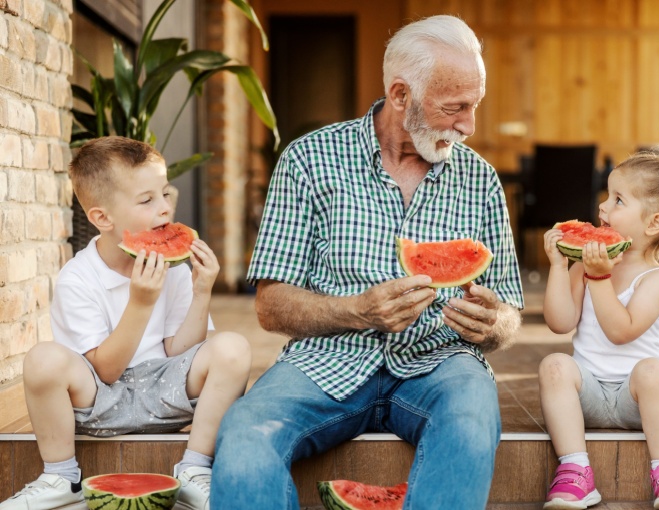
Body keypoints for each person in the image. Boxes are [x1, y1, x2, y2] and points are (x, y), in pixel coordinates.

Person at [211, 14, 523, 510]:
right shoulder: (308, 160)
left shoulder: (480, 179)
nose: (469, 125)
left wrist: (493, 323)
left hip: (439, 363)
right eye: (455, 107)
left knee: (471, 418)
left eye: (475, 105)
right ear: (400, 95)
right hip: (325, 361)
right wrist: (355, 311)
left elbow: (509, 313)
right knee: (245, 432)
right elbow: (271, 306)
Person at [0, 137, 252, 510]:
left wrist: (201, 291)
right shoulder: (78, 278)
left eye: (165, 194)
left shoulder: (174, 270)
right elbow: (105, 369)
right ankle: (60, 475)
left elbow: (180, 351)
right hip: (100, 400)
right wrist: (140, 303)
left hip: (168, 396)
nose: (165, 209)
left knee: (234, 348)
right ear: (102, 218)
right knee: (42, 359)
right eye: (147, 200)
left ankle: (195, 469)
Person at [538, 126, 659, 510]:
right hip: (585, 393)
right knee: (554, 364)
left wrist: (599, 278)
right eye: (607, 196)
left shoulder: (658, 280)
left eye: (618, 200)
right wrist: (559, 266)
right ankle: (575, 472)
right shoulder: (585, 262)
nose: (603, 207)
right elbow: (560, 322)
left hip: (636, 400)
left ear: (653, 224)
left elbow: (621, 331)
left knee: (654, 371)